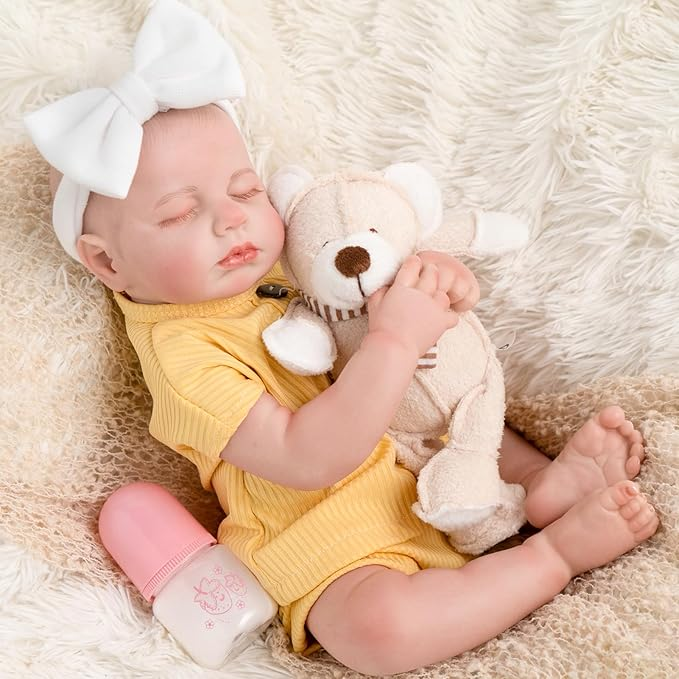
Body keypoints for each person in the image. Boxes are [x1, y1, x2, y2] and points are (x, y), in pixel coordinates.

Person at [25, 1, 658, 675]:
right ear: (107, 262)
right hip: (332, 538)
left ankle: (537, 484)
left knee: (449, 389)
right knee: (376, 632)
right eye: (181, 212)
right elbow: (307, 457)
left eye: (245, 189)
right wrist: (395, 341)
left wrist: (429, 282)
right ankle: (551, 554)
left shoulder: (278, 259)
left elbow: (365, 265)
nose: (231, 221)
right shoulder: (183, 360)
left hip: (427, 463)